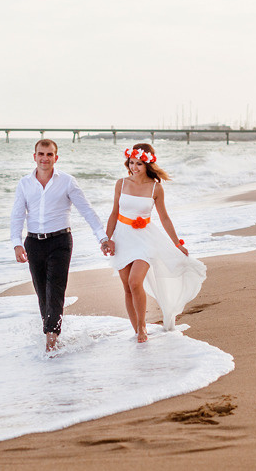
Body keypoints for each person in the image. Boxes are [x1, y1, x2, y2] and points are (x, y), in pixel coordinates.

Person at [11, 139, 115, 352]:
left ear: (56, 158)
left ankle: (51, 342)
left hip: (60, 242)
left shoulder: (67, 181)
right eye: (41, 154)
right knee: (42, 292)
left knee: (55, 289)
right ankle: (51, 332)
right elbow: (17, 215)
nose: (45, 158)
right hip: (33, 243)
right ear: (34, 157)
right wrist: (16, 243)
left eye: (49, 154)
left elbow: (86, 210)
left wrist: (102, 238)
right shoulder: (24, 183)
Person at [106, 143, 206, 343]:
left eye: (139, 164)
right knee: (127, 287)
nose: (134, 167)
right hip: (122, 238)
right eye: (131, 163)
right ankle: (136, 330)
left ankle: (143, 327)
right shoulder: (121, 184)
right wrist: (107, 239)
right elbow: (114, 213)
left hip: (145, 239)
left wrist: (177, 244)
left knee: (135, 282)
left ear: (148, 164)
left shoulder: (155, 187)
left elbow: (165, 218)